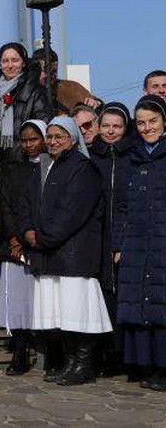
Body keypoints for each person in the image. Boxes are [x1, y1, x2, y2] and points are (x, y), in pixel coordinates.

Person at [21, 116, 111, 386]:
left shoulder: (83, 168)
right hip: (51, 253)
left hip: (73, 254)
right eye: (49, 136)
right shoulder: (47, 166)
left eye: (59, 136)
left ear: (72, 139)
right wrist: (27, 230)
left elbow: (72, 211)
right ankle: (70, 362)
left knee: (78, 312)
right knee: (62, 314)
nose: (52, 141)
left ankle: (83, 365)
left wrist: (42, 238)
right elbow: (28, 202)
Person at [116, 95, 166, 390]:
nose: (148, 128)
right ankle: (143, 364)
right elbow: (121, 205)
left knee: (161, 304)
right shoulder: (131, 158)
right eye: (142, 123)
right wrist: (119, 243)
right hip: (135, 240)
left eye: (153, 121)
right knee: (139, 302)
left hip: (161, 238)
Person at [0, 119, 48, 376]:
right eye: (24, 140)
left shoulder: (54, 167)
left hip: (45, 243)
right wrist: (15, 239)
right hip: (16, 245)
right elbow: (6, 204)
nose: (29, 145)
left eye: (34, 139)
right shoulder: (13, 169)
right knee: (17, 301)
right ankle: (19, 350)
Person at [89, 101, 134, 377]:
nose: (110, 131)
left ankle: (125, 355)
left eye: (116, 126)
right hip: (97, 236)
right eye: (105, 126)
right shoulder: (92, 157)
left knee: (125, 295)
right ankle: (105, 353)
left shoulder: (134, 156)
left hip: (125, 235)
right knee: (103, 296)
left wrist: (123, 240)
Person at [0, 42, 52, 157]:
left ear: (23, 63)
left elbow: (44, 127)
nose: (10, 65)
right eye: (5, 61)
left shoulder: (35, 92)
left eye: (15, 60)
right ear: (0, 64)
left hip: (26, 161)